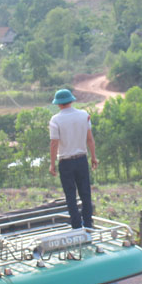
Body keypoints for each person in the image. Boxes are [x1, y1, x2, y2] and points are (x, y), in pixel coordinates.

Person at [48, 88, 99, 229]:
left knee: (71, 196)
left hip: (66, 162)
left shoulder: (55, 120)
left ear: (58, 104)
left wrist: (52, 164)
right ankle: (88, 225)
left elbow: (54, 143)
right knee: (85, 194)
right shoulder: (84, 115)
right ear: (71, 101)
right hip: (82, 159)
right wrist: (93, 157)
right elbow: (90, 139)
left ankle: (77, 227)